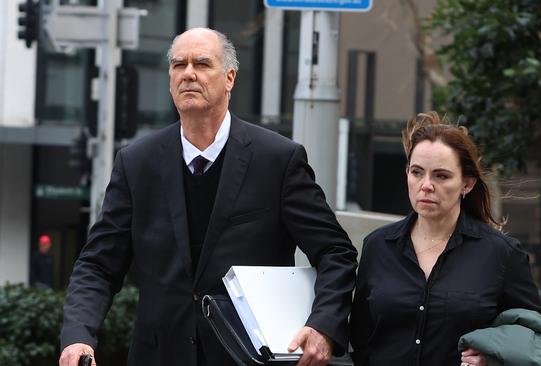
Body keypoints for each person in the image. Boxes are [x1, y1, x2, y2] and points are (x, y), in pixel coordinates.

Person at [59, 27, 357, 366]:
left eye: (201, 63)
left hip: (248, 358)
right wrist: (78, 337)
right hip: (159, 356)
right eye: (178, 65)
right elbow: (99, 263)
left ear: (229, 77)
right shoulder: (137, 162)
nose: (188, 74)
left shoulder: (277, 160)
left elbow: (336, 251)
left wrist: (323, 326)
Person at [349, 111, 541, 366]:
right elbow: (361, 336)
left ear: (467, 184)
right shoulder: (378, 246)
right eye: (417, 172)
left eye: (441, 176)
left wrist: (494, 356)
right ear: (407, 173)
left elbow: (536, 335)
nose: (426, 185)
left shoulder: (502, 254)